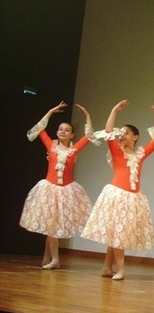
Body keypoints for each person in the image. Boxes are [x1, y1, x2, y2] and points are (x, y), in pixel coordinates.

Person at [81, 99, 154, 280]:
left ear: (135, 137)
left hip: (134, 197)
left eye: (126, 133)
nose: (121, 135)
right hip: (117, 195)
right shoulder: (117, 151)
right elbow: (108, 131)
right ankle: (121, 269)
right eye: (120, 133)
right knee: (119, 234)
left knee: (116, 234)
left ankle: (107, 268)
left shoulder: (140, 154)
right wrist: (115, 110)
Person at [20, 101, 97, 269]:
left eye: (67, 130)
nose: (63, 131)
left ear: (72, 135)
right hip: (49, 189)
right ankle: (49, 258)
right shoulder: (51, 146)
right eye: (60, 129)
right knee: (51, 226)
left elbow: (89, 135)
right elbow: (40, 129)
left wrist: (87, 116)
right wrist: (51, 111)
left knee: (52, 227)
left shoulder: (74, 150)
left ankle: (52, 259)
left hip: (66, 191)